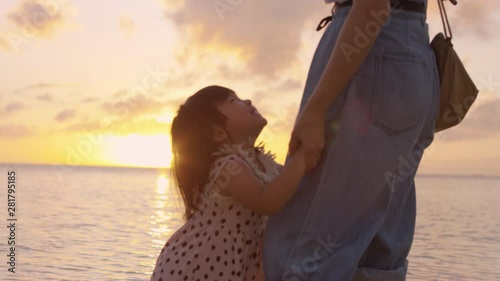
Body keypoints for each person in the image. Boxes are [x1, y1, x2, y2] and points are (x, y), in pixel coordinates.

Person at [263, 0, 439, 280]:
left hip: (369, 47)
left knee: (304, 254)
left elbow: (373, 7)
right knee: (377, 254)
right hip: (412, 53)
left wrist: (317, 108)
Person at [150, 85, 309, 281]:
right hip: (193, 267)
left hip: (229, 266)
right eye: (234, 101)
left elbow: (288, 185)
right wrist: (304, 155)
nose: (248, 101)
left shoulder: (263, 164)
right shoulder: (228, 167)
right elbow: (268, 201)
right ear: (218, 133)